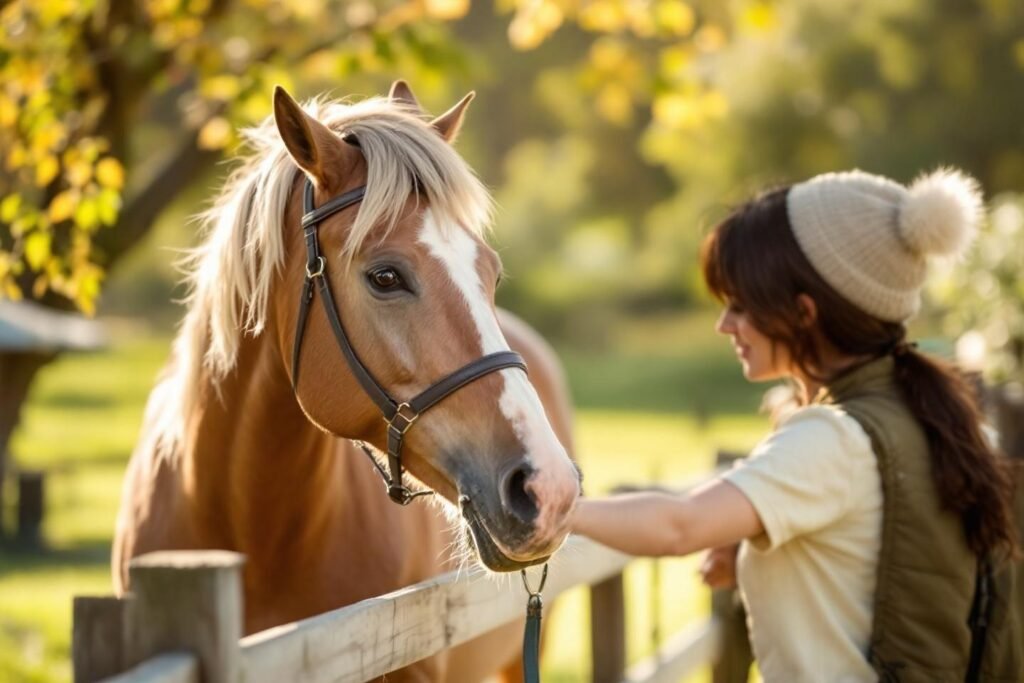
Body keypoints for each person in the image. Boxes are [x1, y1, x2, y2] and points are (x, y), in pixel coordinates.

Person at [570, 168, 1021, 682]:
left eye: (741, 305)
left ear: (804, 312)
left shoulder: (832, 438)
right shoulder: (923, 414)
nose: (724, 325)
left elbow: (680, 526)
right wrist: (759, 549)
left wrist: (555, 509)